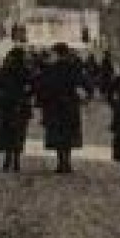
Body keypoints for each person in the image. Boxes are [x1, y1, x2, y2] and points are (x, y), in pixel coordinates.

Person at [35, 42, 85, 173]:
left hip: (55, 106)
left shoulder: (50, 69)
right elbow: (82, 83)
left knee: (58, 135)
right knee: (68, 135)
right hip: (69, 105)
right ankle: (67, 162)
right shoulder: (73, 67)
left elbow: (42, 86)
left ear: (57, 53)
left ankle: (60, 162)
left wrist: (42, 103)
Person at [0, 47, 35, 172]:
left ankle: (7, 160)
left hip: (7, 105)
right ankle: (16, 161)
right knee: (19, 133)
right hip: (21, 106)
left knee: (7, 132)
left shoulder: (5, 70)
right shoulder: (26, 71)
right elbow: (32, 87)